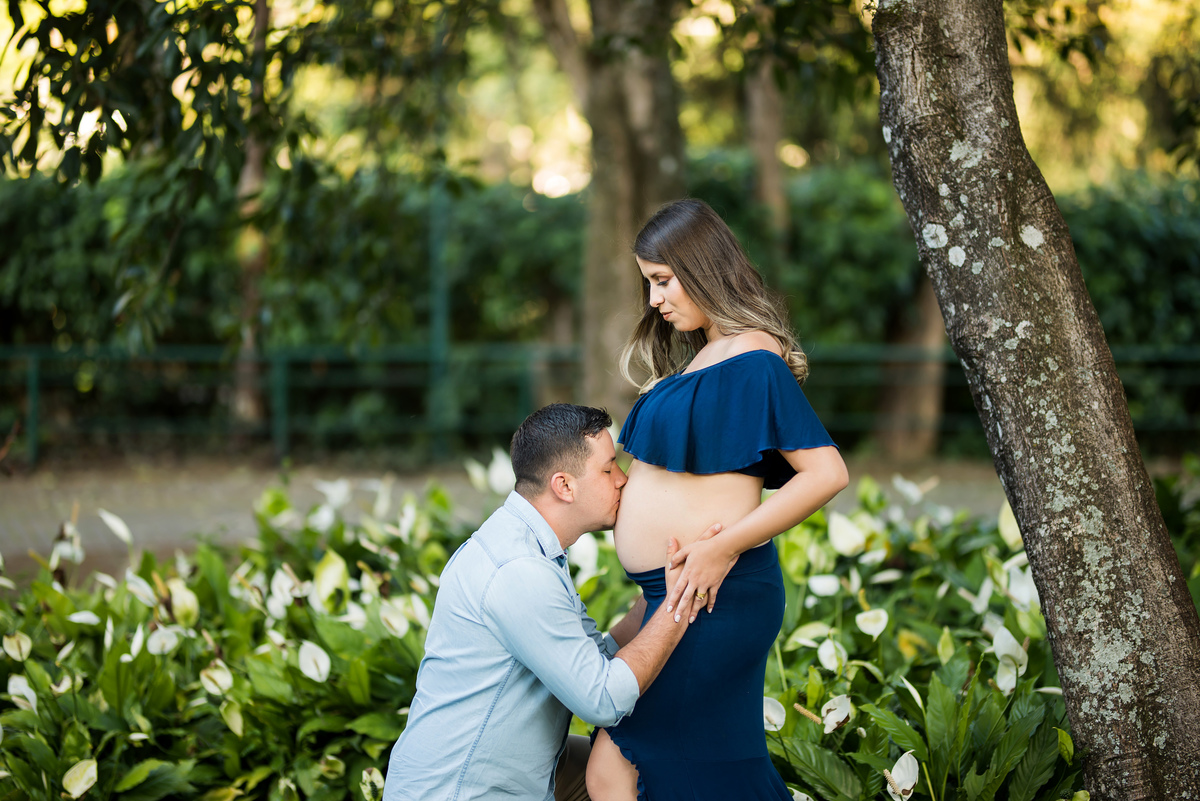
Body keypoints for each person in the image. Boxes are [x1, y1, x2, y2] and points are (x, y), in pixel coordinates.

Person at [586, 199, 850, 801]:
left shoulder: (753, 358)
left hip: (716, 593)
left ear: (701, 267)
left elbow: (826, 473)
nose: (653, 299)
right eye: (647, 283)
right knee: (696, 770)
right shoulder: (707, 356)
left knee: (618, 765)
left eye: (661, 280)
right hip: (675, 595)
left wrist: (723, 548)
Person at [383, 403, 721, 801]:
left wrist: (659, 592)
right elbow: (604, 698)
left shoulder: (529, 546)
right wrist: (680, 603)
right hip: (458, 793)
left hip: (512, 778)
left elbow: (598, 657)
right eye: (609, 468)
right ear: (564, 486)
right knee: (631, 765)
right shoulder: (519, 571)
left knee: (632, 759)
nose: (623, 481)